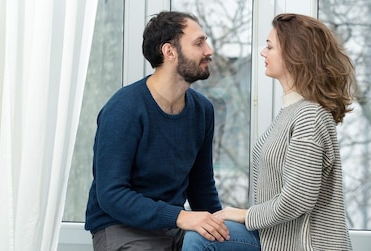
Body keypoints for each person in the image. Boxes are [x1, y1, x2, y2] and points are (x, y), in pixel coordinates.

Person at [183, 13, 355, 251]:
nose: (263, 53)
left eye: (270, 46)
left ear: (294, 53)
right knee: (201, 230)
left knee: (200, 238)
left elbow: (298, 198)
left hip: (303, 246)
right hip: (273, 240)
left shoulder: (309, 116)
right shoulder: (291, 111)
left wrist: (244, 214)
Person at [84, 11, 233, 250]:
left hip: (175, 227)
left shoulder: (203, 110)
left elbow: (201, 186)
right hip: (122, 227)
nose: (209, 50)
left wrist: (220, 225)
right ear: (169, 51)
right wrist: (181, 217)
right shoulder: (124, 109)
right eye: (199, 43)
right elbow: (112, 195)